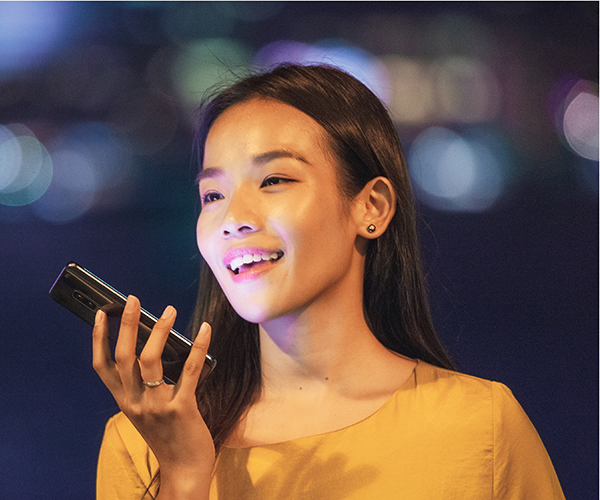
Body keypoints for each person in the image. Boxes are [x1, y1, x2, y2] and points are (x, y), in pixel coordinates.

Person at [94, 64, 564, 499]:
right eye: (213, 194)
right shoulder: (145, 443)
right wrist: (183, 476)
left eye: (274, 180)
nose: (233, 218)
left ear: (371, 207)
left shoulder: (481, 427)